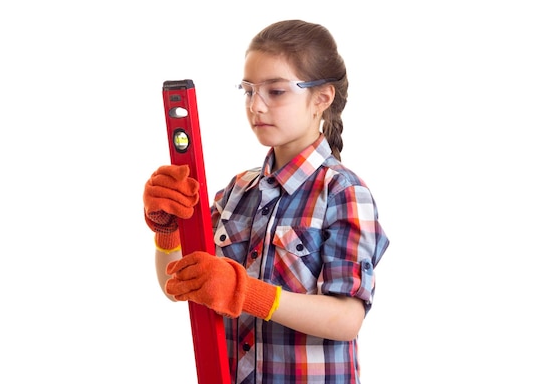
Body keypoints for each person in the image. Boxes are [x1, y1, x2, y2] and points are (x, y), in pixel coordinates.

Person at [143, 19, 389, 384]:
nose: (255, 106)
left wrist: (246, 293)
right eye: (248, 91)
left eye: (275, 92)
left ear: (321, 98)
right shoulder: (238, 191)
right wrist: (168, 231)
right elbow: (177, 284)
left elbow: (346, 319)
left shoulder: (343, 193)